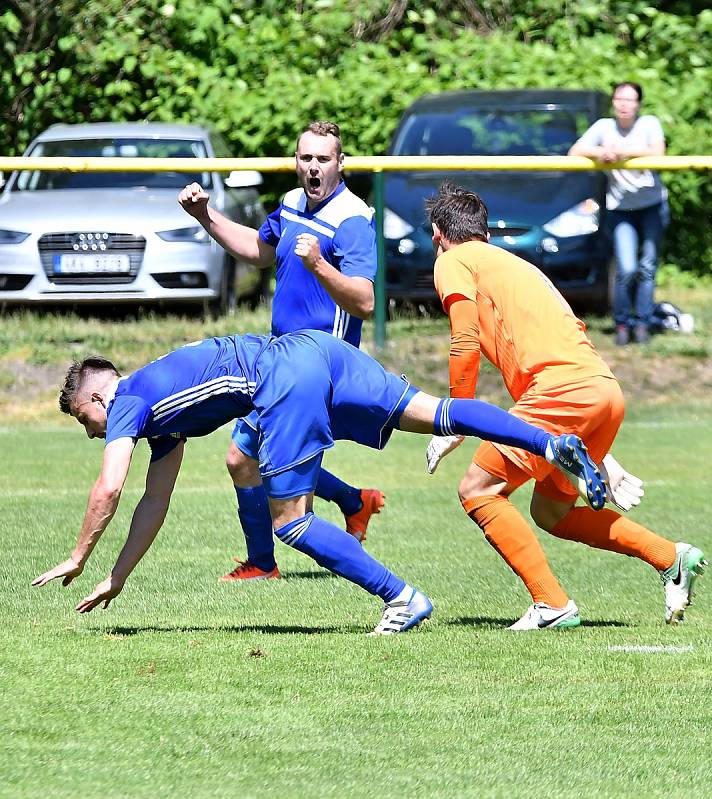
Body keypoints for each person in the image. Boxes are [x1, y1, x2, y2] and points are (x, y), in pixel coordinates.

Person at [31, 329, 607, 634]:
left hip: (284, 377)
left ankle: (403, 600)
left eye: (88, 419)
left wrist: (79, 557)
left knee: (291, 520)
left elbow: (110, 490)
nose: (92, 433)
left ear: (99, 397)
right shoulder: (161, 417)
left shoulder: (128, 400)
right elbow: (153, 502)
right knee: (437, 412)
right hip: (316, 351)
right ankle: (549, 442)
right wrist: (117, 577)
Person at [424, 182, 705, 629]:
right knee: (550, 513)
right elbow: (560, 357)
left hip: (563, 393)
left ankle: (552, 604)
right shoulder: (518, 267)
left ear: (438, 234)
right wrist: (604, 456)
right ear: (486, 234)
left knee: (478, 490)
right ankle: (670, 557)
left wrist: (456, 416)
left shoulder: (454, 260)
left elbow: (464, 338)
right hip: (602, 390)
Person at [179, 121, 385, 583]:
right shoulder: (292, 203)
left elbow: (365, 301)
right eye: (305, 158)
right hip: (279, 358)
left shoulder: (352, 220)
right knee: (250, 460)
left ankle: (390, 589)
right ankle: (350, 505)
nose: (313, 168)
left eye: (323, 159)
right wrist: (205, 217)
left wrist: (320, 266)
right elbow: (258, 249)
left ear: (340, 163)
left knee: (275, 484)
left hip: (318, 366)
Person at [568, 82, 668, 345]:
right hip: (621, 209)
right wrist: (602, 152)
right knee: (627, 267)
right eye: (619, 99)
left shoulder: (648, 124)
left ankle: (643, 323)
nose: (624, 104)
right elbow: (575, 151)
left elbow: (658, 152)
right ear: (613, 102)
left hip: (652, 205)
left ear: (638, 104)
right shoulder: (604, 127)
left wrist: (623, 153)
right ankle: (622, 323)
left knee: (647, 266)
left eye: (630, 100)